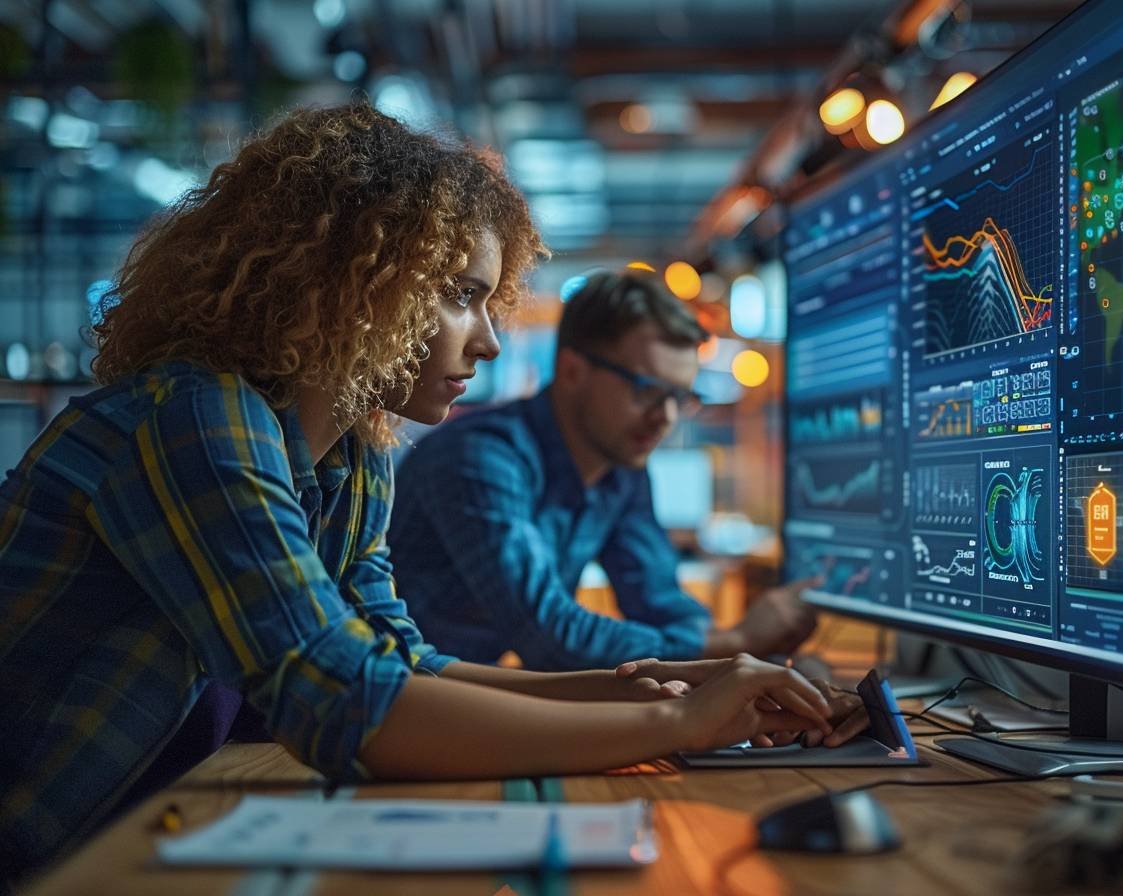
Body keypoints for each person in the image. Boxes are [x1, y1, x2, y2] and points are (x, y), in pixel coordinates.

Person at [0, 103, 843, 882]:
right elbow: (341, 702)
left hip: (138, 835)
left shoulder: (352, 459)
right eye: (458, 297)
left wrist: (667, 685)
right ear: (345, 285)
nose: (487, 340)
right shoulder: (195, 416)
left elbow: (405, 663)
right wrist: (676, 725)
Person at [387, 269, 819, 671]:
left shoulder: (621, 466)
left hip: (482, 693)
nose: (666, 417)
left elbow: (659, 599)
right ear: (574, 370)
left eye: (681, 397)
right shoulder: (479, 457)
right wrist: (734, 644)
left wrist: (749, 664)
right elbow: (550, 634)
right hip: (405, 698)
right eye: (649, 391)